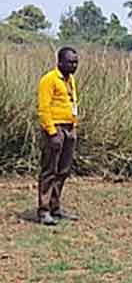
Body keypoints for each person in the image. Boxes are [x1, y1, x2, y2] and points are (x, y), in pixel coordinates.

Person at [36, 47, 80, 225]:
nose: (74, 65)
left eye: (76, 62)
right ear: (60, 62)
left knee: (63, 170)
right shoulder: (49, 80)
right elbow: (43, 108)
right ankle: (44, 210)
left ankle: (55, 207)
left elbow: (72, 103)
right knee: (49, 170)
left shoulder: (70, 80)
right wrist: (52, 132)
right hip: (55, 129)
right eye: (70, 62)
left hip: (69, 129)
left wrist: (74, 126)